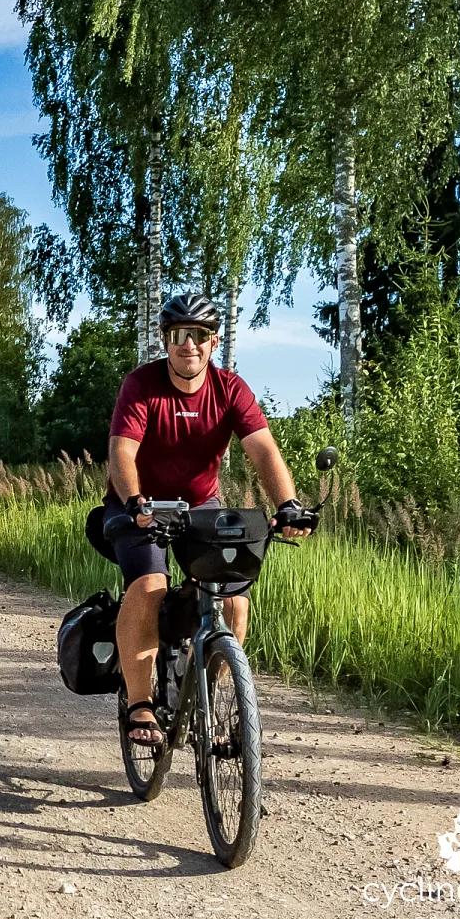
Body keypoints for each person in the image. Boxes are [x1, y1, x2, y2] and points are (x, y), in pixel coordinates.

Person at [104, 294, 312, 747]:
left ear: (213, 341)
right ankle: (140, 703)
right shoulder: (141, 385)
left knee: (232, 596)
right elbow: (122, 451)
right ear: (165, 340)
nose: (189, 345)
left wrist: (288, 505)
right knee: (149, 585)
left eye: (199, 335)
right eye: (179, 335)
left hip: (199, 504)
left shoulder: (229, 389)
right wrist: (135, 502)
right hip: (138, 506)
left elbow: (263, 450)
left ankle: (208, 695)